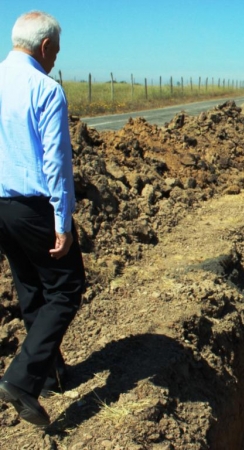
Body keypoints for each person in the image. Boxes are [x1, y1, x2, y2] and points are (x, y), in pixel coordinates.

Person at [0, 11, 85, 427]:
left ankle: (51, 375)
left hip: (0, 206)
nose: (55, 60)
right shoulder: (46, 89)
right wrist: (63, 221)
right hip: (34, 205)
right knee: (67, 287)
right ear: (45, 46)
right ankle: (21, 379)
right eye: (56, 52)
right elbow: (56, 163)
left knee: (32, 289)